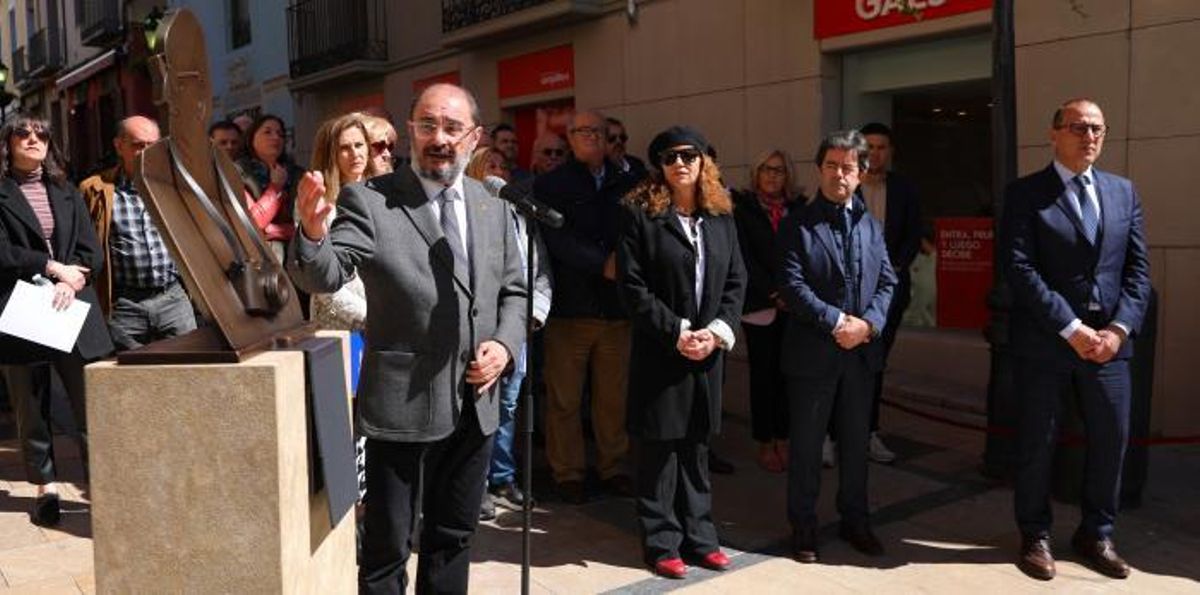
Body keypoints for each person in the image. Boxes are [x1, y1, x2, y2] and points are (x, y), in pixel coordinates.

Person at [289, 83, 526, 594]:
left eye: (452, 127)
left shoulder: (493, 204)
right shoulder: (372, 201)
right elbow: (325, 274)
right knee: (386, 550)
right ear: (411, 131)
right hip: (402, 404)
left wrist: (505, 346)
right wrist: (311, 234)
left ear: (475, 137)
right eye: (427, 125)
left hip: (475, 401)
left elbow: (515, 291)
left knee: (453, 538)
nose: (439, 138)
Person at [1002, 98, 1150, 582]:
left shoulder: (1124, 193)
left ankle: (1096, 533)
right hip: (1047, 343)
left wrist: (1117, 329)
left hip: (1109, 347)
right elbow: (1020, 270)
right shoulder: (1026, 194)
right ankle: (1035, 535)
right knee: (1037, 442)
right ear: (1054, 134)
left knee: (1111, 441)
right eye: (1079, 127)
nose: (1089, 137)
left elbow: (1137, 272)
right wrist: (1071, 328)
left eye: (1098, 129)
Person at [617, 126, 745, 579]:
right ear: (660, 167)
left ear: (704, 162)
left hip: (707, 353)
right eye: (670, 158)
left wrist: (715, 332)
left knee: (696, 449)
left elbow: (736, 283)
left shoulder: (722, 216)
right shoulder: (639, 215)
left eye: (690, 155)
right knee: (658, 453)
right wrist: (677, 331)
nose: (680, 163)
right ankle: (661, 542)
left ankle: (702, 537)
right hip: (661, 352)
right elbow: (632, 287)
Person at [778, 130, 896, 563]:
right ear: (819, 169)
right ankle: (804, 526)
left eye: (848, 167)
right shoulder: (797, 223)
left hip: (860, 356)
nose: (838, 175)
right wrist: (836, 322)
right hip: (814, 355)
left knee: (854, 446)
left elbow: (888, 281)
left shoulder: (870, 224)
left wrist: (868, 326)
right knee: (807, 449)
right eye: (830, 165)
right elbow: (791, 284)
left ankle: (855, 520)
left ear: (862, 173)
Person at [0, 114, 114, 526]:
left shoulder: (66, 190)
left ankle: (102, 490)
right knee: (32, 409)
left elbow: (91, 250)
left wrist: (74, 277)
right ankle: (45, 489)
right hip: (21, 311)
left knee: (89, 407)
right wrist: (52, 267)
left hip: (73, 307)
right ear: (8, 142)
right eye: (23, 133)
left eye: (41, 134)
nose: (33, 139)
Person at [534, 110, 638, 503]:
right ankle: (568, 472)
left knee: (612, 398)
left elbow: (637, 233)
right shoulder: (551, 184)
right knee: (564, 399)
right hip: (570, 309)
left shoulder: (628, 181)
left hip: (616, 310)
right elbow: (554, 237)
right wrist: (600, 263)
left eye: (599, 131)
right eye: (582, 131)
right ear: (571, 138)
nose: (591, 137)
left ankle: (613, 466)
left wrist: (622, 264)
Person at [465, 146, 552, 520]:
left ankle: (503, 477)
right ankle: (478, 484)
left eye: (503, 165)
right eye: (490, 165)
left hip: (518, 329)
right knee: (479, 408)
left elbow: (540, 270)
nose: (498, 172)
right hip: (482, 330)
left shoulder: (521, 216)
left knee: (510, 405)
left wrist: (534, 313)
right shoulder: (465, 215)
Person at [80, 116, 196, 351]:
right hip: (124, 305)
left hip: (173, 298)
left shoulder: (175, 185)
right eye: (138, 145)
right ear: (119, 145)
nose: (146, 152)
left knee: (189, 371)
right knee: (126, 380)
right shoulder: (95, 190)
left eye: (152, 145)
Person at [852, 121, 922, 465]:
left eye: (882, 147)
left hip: (890, 290)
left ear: (890, 152)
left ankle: (869, 432)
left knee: (876, 363)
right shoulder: (846, 187)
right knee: (845, 364)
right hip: (849, 293)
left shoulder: (905, 189)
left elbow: (913, 234)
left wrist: (892, 269)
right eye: (870, 147)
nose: (876, 153)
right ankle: (835, 434)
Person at [733, 149, 801, 473]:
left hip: (794, 304)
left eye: (779, 170)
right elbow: (744, 258)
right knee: (763, 376)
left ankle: (784, 437)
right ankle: (765, 440)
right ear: (756, 174)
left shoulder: (799, 209)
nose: (773, 176)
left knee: (787, 374)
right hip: (759, 303)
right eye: (766, 169)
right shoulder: (742, 208)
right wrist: (774, 292)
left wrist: (792, 292)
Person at [238, 114, 305, 261]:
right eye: (267, 132)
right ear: (251, 138)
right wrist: (276, 187)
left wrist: (273, 230)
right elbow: (252, 223)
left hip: (299, 258)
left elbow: (306, 225)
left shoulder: (298, 174)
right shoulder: (238, 173)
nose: (276, 137)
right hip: (260, 259)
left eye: (280, 134)